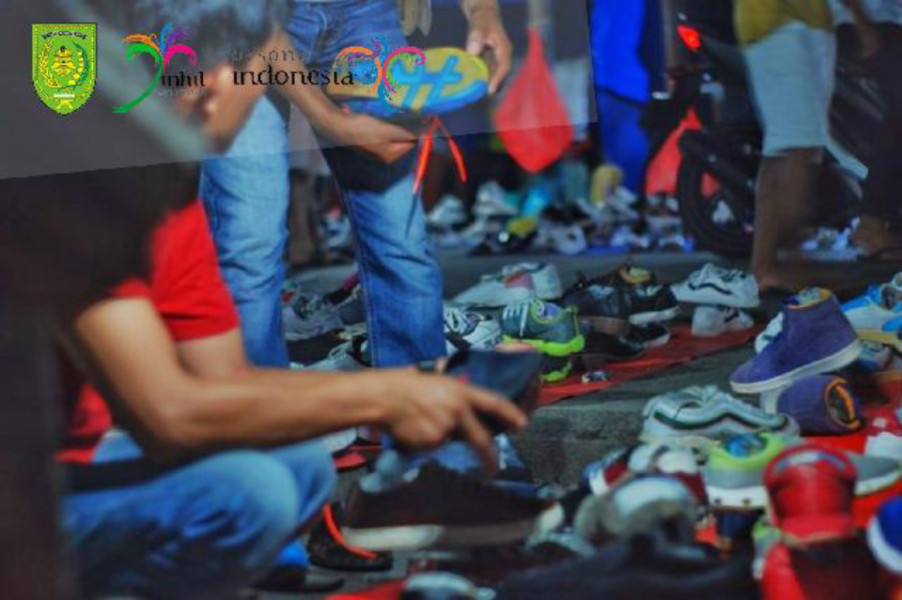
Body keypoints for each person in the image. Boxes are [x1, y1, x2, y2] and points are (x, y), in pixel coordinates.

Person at [61, 2, 526, 598]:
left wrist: (411, 399)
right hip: (36, 489)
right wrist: (392, 394)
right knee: (261, 484)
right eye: (252, 75)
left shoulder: (169, 209)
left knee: (297, 461)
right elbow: (169, 412)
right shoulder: (72, 199)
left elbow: (222, 380)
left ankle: (410, 479)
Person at [200, 0, 512, 369]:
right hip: (250, 21)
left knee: (399, 238)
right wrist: (332, 120)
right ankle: (252, 400)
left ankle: (416, 395)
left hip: (366, 14)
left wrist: (483, 12)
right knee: (250, 240)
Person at [738, 0, 880, 290]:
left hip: (790, 24)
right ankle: (787, 264)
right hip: (785, 25)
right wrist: (862, 21)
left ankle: (765, 267)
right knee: (798, 150)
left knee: (784, 149)